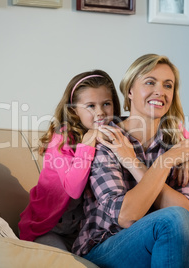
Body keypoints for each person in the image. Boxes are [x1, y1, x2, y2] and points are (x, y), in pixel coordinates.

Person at [73, 54, 189, 267]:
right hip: (105, 246)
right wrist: (165, 163)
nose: (160, 91)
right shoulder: (107, 138)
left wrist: (145, 162)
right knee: (173, 219)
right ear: (130, 91)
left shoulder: (176, 146)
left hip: (162, 236)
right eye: (150, 82)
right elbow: (127, 216)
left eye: (168, 85)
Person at [18, 70, 122, 251]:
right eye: (90, 106)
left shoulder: (113, 133)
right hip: (49, 228)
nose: (100, 112)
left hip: (84, 231)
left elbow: (151, 125)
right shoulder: (62, 138)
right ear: (74, 110)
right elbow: (73, 189)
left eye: (106, 104)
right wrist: (88, 142)